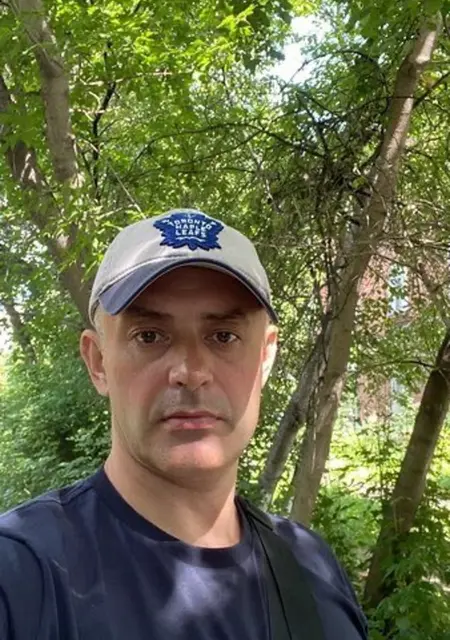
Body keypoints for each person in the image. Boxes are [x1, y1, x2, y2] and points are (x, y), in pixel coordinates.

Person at [0, 209, 368, 639]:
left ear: (265, 357)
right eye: (149, 336)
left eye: (224, 336)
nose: (191, 372)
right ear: (98, 362)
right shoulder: (21, 578)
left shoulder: (313, 567)